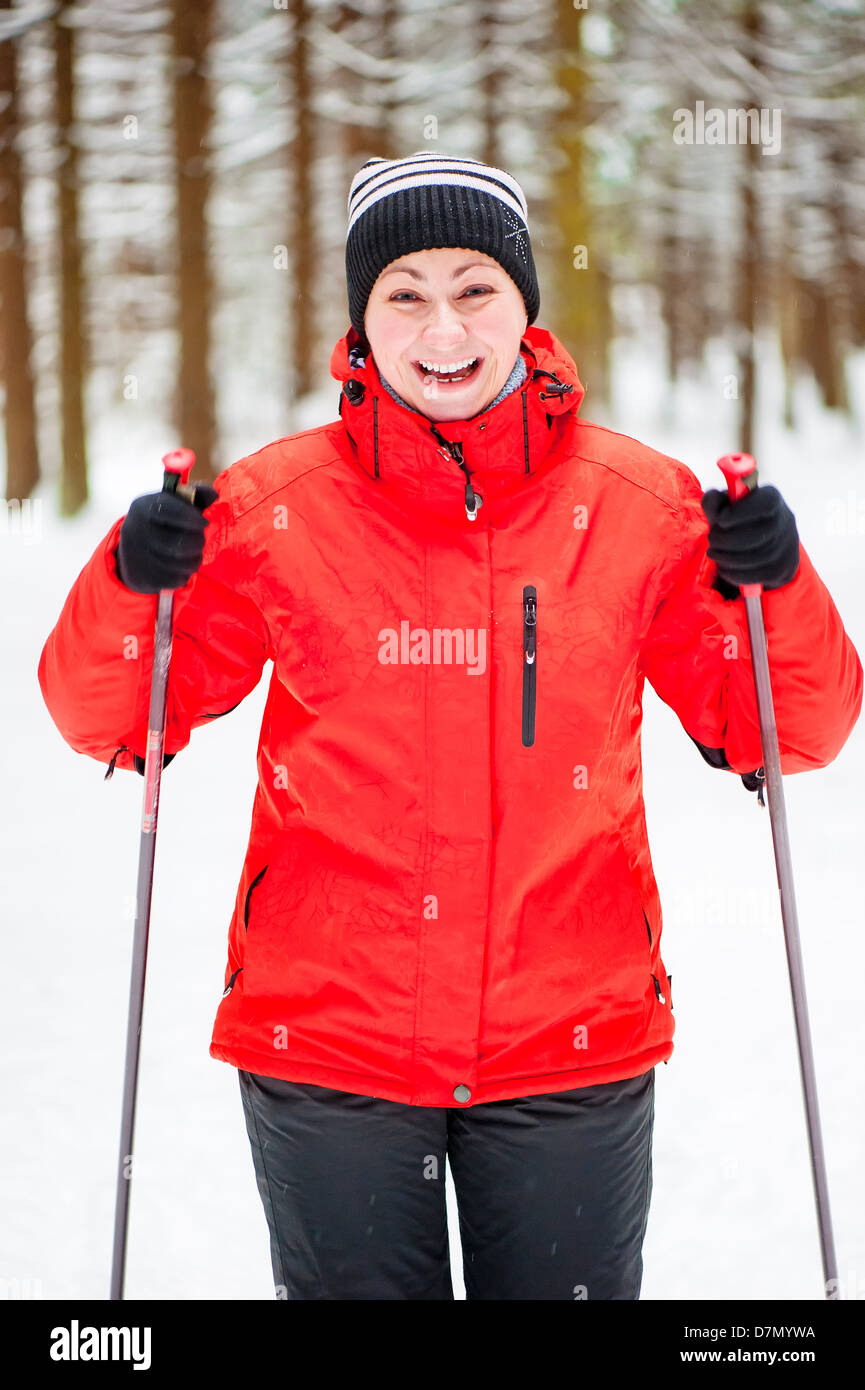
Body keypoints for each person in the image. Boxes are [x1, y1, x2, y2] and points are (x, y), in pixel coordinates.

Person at [38, 151, 862, 1301]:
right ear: (362, 321)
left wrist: (771, 587)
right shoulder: (275, 507)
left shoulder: (642, 508)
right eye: (404, 293)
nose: (442, 330)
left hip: (574, 1040)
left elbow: (793, 731)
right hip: (332, 1044)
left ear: (525, 307)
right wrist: (134, 578)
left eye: (475, 285)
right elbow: (110, 716)